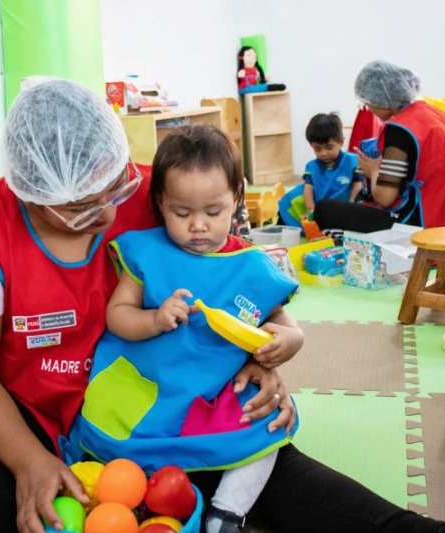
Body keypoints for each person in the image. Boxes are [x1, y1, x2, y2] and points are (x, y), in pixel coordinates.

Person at [0, 79, 445, 533]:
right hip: (26, 412)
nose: (106, 216)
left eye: (111, 190)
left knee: (274, 469)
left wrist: (261, 358)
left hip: (159, 397)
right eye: (81, 209)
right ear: (27, 192)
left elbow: (239, 287)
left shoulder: (160, 193)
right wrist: (30, 460)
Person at [71, 125, 304, 533]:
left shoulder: (251, 267)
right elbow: (117, 315)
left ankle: (228, 512)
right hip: (148, 382)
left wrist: (290, 341)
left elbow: (286, 326)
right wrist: (154, 319)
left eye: (213, 212)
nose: (198, 226)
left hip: (211, 392)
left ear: (236, 198)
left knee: (270, 430)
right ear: (161, 203)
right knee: (114, 440)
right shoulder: (148, 252)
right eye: (182, 213)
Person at [314, 60, 445, 234]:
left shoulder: (399, 130)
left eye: (367, 102)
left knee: (325, 209)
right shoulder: (438, 115)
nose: (368, 108)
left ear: (383, 98)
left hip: (422, 226)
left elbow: (385, 198)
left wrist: (373, 170)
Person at [278, 113, 365, 228]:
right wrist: (311, 211)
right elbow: (308, 189)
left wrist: (352, 206)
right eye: (317, 149)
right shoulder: (311, 167)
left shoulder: (352, 161)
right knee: (290, 198)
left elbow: (358, 186)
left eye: (329, 147)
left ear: (341, 142)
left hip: (344, 207)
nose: (323, 153)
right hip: (321, 207)